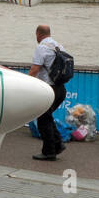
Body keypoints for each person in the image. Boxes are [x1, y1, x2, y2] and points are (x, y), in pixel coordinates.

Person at [28, 24, 67, 161]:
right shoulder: (59, 46)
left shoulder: (41, 48)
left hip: (49, 90)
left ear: (38, 34)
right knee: (47, 117)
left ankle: (49, 152)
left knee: (43, 120)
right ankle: (58, 144)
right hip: (61, 89)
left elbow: (34, 69)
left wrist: (26, 84)